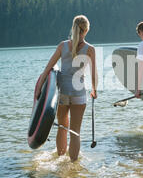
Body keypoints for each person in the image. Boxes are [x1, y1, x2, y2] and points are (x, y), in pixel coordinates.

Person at [36, 15, 97, 161]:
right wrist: (94, 90)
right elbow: (94, 74)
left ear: (73, 27)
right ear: (87, 30)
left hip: (63, 92)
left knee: (62, 127)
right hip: (79, 93)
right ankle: (73, 166)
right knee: (75, 132)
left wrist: (39, 87)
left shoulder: (62, 45)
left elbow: (48, 68)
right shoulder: (90, 49)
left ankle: (60, 161)